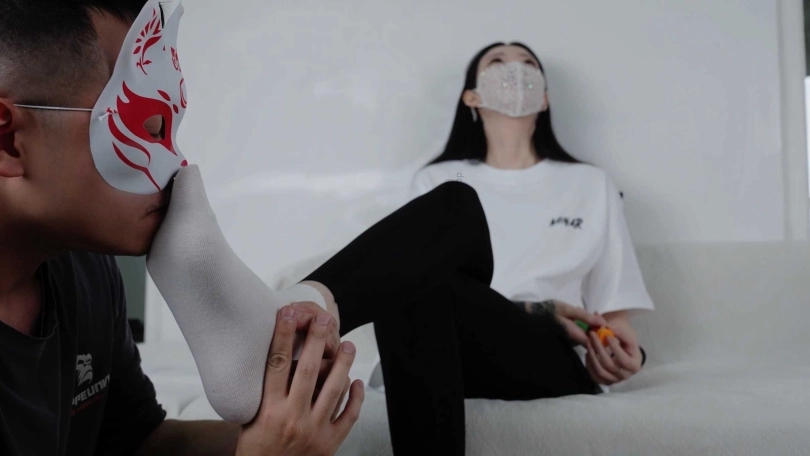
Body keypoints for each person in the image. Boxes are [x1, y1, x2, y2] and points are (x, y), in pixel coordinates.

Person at [0, 1, 362, 455]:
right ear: (9, 142)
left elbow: (139, 441)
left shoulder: (86, 271)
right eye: (149, 129)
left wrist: (282, 430)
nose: (178, 167)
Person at [363, 41, 654, 453]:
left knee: (423, 284)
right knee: (416, 282)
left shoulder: (590, 184)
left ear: (544, 98)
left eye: (528, 64)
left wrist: (624, 353)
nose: (515, 71)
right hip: (450, 342)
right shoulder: (438, 181)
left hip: (547, 354)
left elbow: (613, 317)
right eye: (497, 62)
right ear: (472, 97)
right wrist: (534, 307)